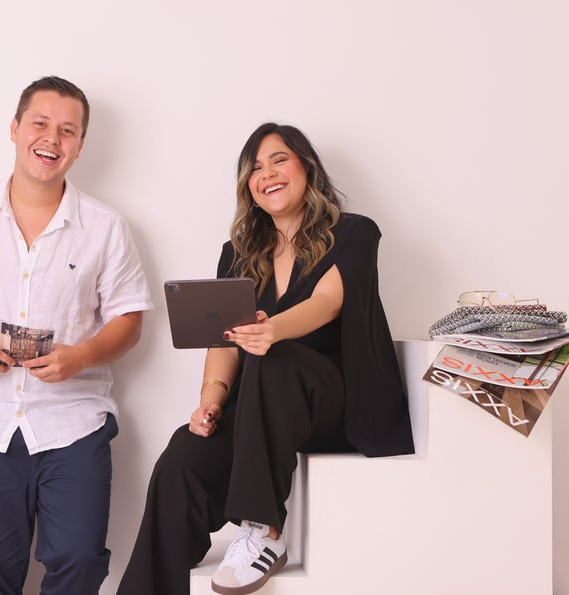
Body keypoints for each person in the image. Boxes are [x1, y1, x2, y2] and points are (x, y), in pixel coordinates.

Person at [116, 122, 414, 595]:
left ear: (306, 167)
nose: (267, 174)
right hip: (263, 408)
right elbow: (222, 342)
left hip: (338, 402)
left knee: (276, 360)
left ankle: (263, 531)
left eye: (279, 160)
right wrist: (211, 400)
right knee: (183, 457)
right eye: (255, 168)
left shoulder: (354, 232)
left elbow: (328, 302)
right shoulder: (238, 254)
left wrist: (271, 330)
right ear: (247, 187)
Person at [0, 75, 153, 595]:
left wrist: (82, 355)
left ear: (81, 146)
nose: (52, 139)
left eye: (68, 130)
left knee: (80, 560)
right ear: (16, 128)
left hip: (74, 422)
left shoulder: (106, 228)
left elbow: (130, 319)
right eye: (40, 124)